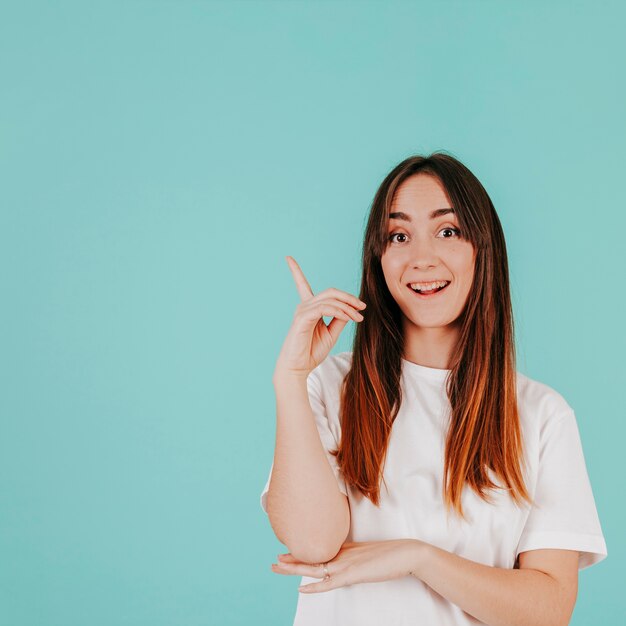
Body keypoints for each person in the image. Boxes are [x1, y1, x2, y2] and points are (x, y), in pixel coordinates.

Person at [259, 152, 607, 626]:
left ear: (482, 250)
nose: (422, 258)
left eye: (448, 231)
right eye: (399, 236)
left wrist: (417, 558)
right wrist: (290, 378)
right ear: (378, 259)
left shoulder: (542, 415)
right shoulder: (328, 386)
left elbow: (548, 610)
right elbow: (312, 543)